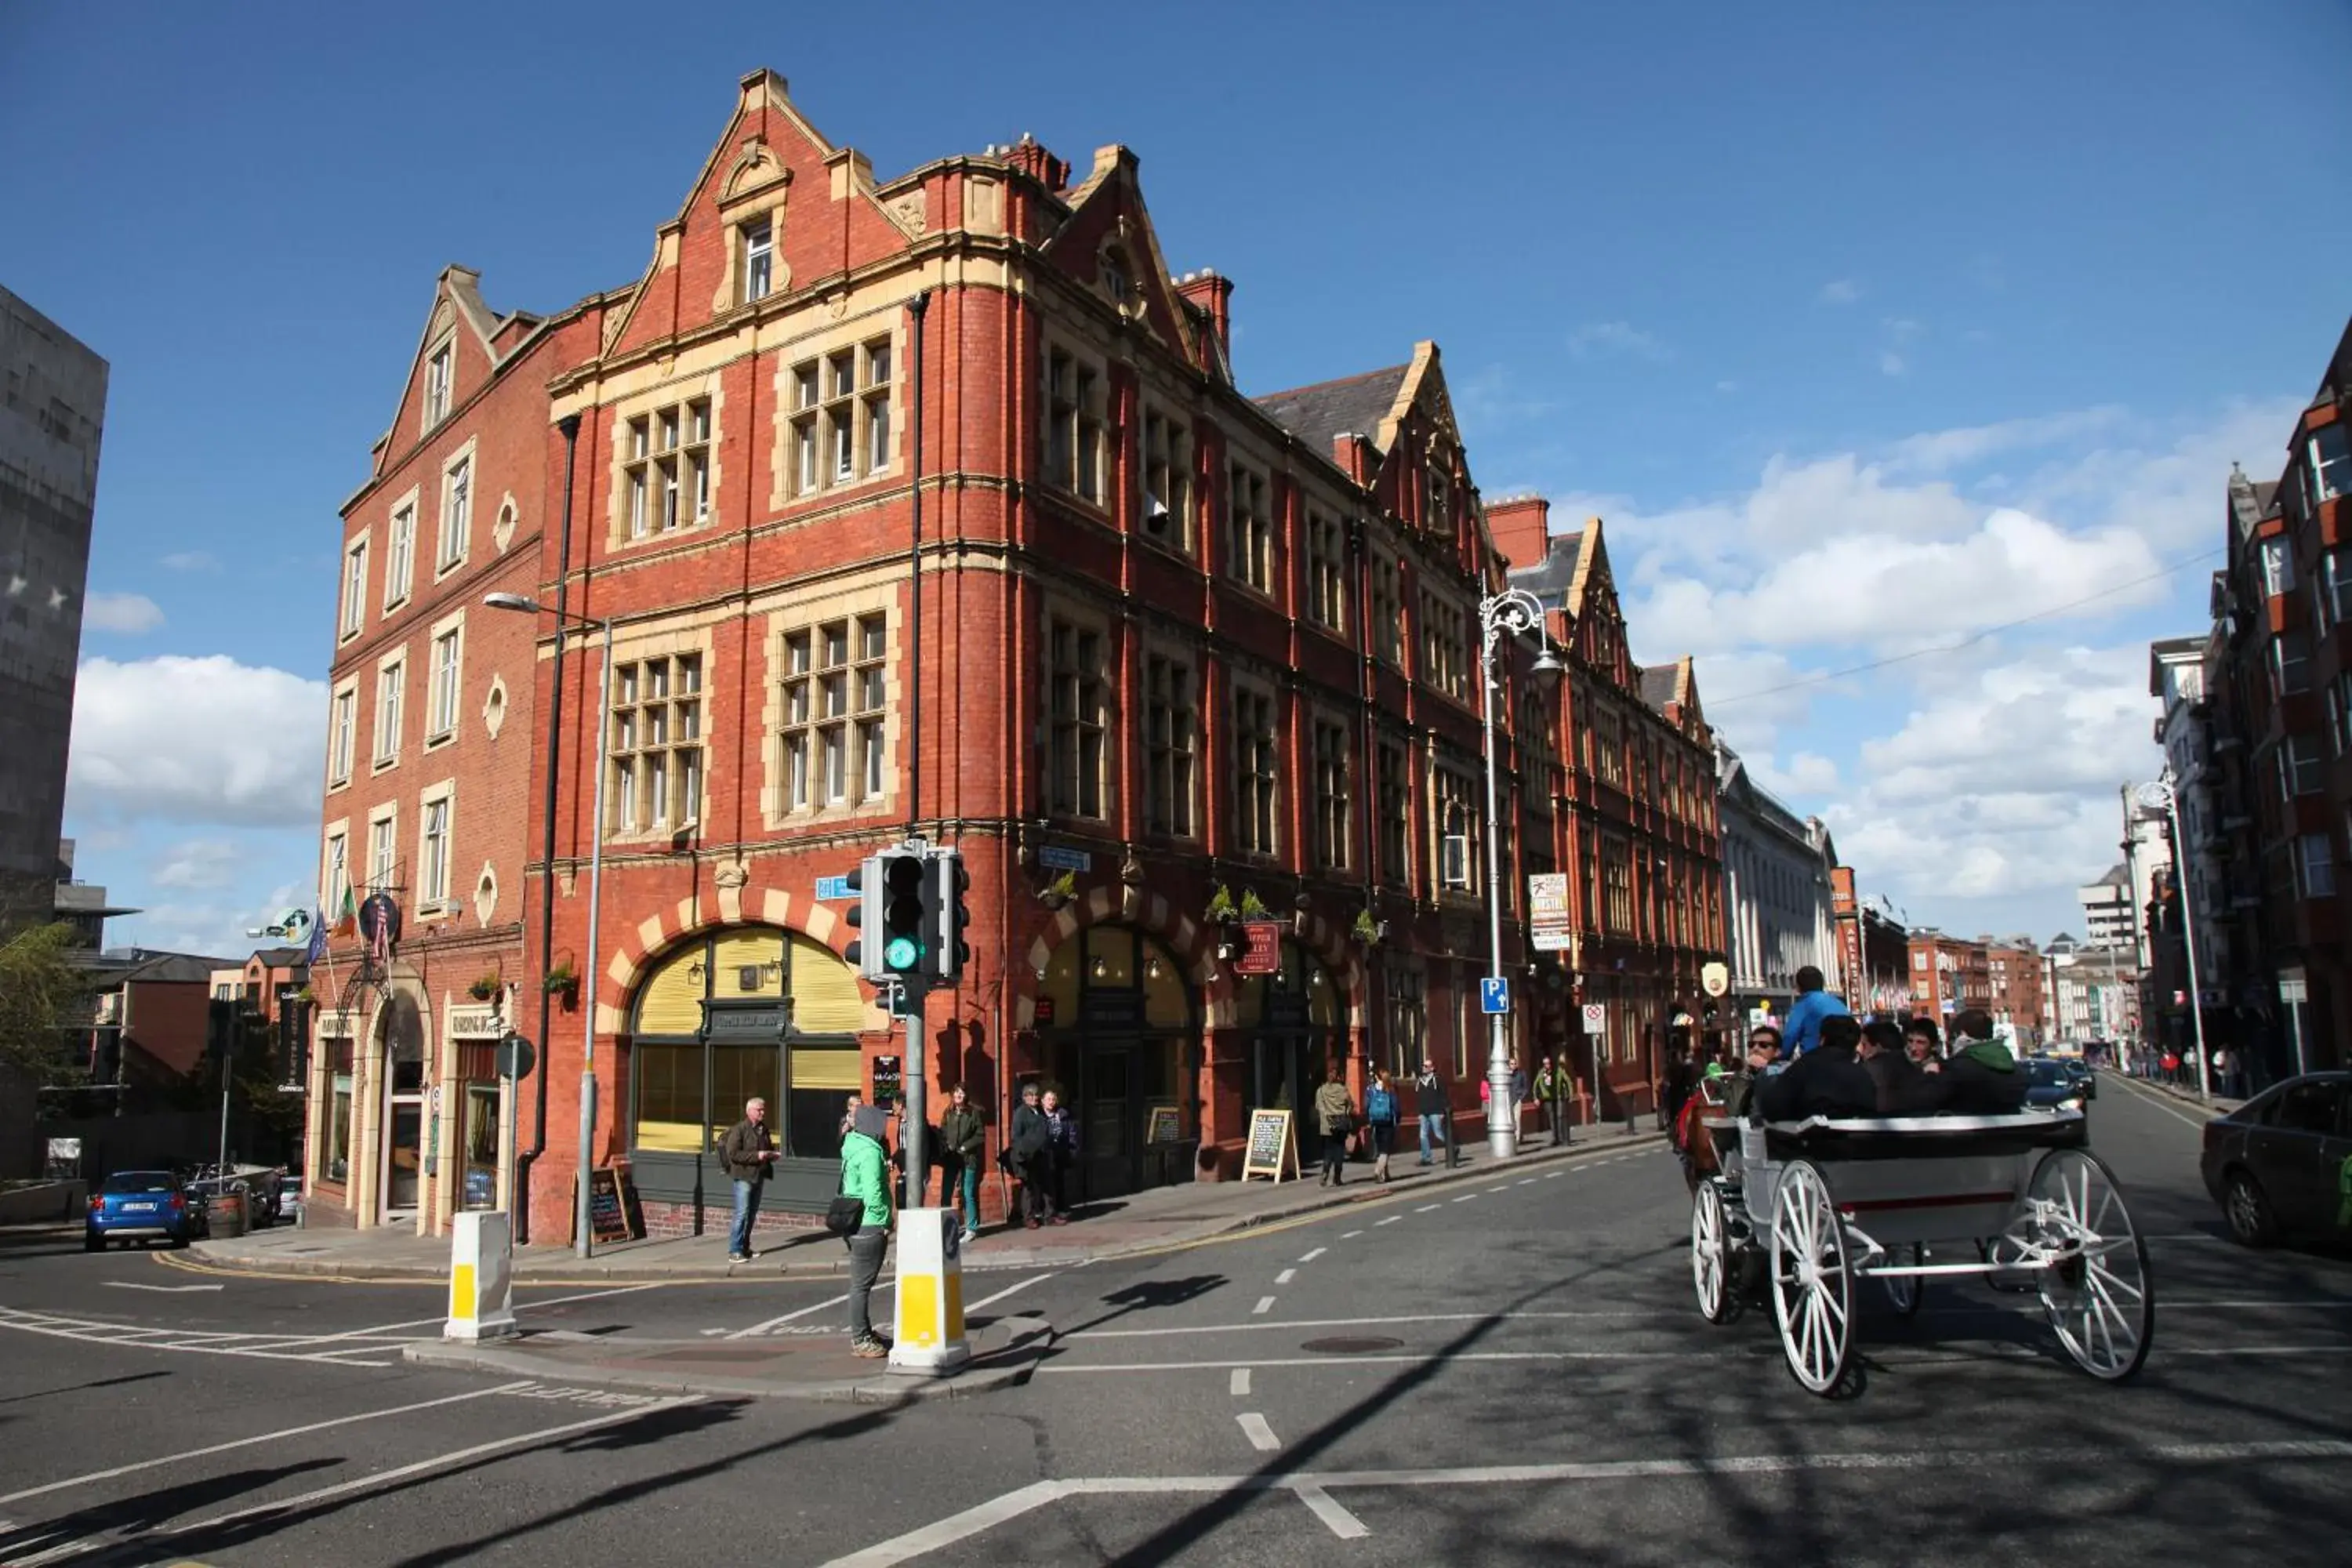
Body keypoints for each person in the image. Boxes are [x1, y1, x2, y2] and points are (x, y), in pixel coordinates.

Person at [838, 1104, 893, 1357]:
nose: (884, 1129)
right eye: (882, 1124)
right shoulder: (870, 1153)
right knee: (861, 1285)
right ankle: (860, 1339)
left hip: (854, 1222)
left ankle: (865, 1331)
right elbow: (874, 1193)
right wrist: (883, 1223)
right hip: (869, 1223)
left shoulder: (852, 1145)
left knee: (860, 1284)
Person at [1758, 1014, 1878, 1120]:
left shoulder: (1803, 1067)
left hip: (1810, 1141)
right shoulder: (1863, 1073)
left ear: (1822, 1039)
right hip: (1858, 1142)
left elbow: (1772, 1108)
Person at [719, 1097, 779, 1261]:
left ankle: (745, 1247)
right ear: (749, 1111)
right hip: (743, 1177)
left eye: (763, 1109)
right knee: (742, 1213)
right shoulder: (740, 1129)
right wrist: (756, 1156)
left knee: (751, 1214)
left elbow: (767, 1147)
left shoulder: (762, 1129)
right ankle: (734, 1250)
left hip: (758, 1176)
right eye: (759, 1110)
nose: (763, 1112)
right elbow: (733, 1154)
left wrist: (771, 1154)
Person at [1939, 1008, 2027, 1114]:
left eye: (1952, 1038)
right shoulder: (2013, 1067)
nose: (1951, 1044)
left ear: (1962, 1036)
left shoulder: (1957, 1068)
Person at [1857, 1019, 1939, 1116]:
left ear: (1933, 1045)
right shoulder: (1888, 1063)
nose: (1913, 1048)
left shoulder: (1944, 1068)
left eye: (1920, 1042)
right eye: (1910, 1041)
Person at [938, 1084, 987, 1243]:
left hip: (968, 1158)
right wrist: (946, 1146)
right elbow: (943, 1132)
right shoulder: (948, 1113)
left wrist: (966, 1146)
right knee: (946, 1193)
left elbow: (980, 1135)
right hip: (951, 1158)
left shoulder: (973, 1113)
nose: (959, 1095)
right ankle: (945, 1228)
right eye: (957, 1092)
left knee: (968, 1193)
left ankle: (971, 1229)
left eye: (962, 1092)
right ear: (953, 1095)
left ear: (966, 1096)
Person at [1781, 966, 1852, 1058]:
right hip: (1845, 1058)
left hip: (1815, 1060)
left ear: (1798, 987)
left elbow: (1790, 1037)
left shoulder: (1803, 1006)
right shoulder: (1839, 1003)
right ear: (1822, 983)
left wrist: (1783, 1057)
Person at [1009, 1083, 1053, 1228]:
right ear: (1025, 1097)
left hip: (1041, 1155)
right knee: (1028, 1189)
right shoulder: (1021, 1113)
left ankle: (1049, 1216)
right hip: (1027, 1157)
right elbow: (1016, 1136)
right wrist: (1024, 1152)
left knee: (1046, 1186)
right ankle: (1029, 1218)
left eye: (1036, 1095)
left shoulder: (1040, 1112)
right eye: (1031, 1095)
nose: (1034, 1098)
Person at [1312, 1061, 1356, 1187]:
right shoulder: (1343, 1090)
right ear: (1338, 1077)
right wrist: (1345, 1111)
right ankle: (1337, 1178)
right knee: (1339, 1151)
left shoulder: (1321, 1091)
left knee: (1328, 1151)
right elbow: (1351, 1105)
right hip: (1341, 1125)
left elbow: (1318, 1106)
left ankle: (1325, 1172)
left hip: (1327, 1126)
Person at [1039, 1087, 1078, 1223]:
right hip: (1045, 1154)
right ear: (1043, 1102)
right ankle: (1048, 1212)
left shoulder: (1063, 1115)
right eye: (1048, 1099)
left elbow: (1071, 1132)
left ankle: (1061, 1209)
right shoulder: (1039, 1117)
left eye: (1053, 1099)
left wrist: (1072, 1148)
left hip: (1061, 1153)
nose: (1051, 1102)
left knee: (1060, 1182)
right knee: (1047, 1184)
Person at [1363, 1067, 1400, 1182]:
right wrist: (1397, 1120)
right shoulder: (1390, 1089)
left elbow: (1367, 1105)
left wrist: (1370, 1118)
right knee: (1385, 1150)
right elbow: (1396, 1108)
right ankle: (1378, 1171)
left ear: (1376, 1077)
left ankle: (1386, 1175)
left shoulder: (1371, 1089)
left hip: (1376, 1121)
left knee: (1380, 1149)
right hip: (1388, 1121)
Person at [1414, 1058, 1448, 1165]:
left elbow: (1443, 1096)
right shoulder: (1420, 1081)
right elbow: (1419, 1098)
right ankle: (1426, 1158)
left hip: (1435, 1111)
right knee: (1423, 1135)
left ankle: (1451, 1147)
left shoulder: (1437, 1080)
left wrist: (1443, 1111)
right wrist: (1419, 1113)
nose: (1424, 1068)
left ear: (1432, 1068)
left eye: (1426, 1066)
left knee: (1438, 1134)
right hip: (1424, 1112)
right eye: (1423, 1066)